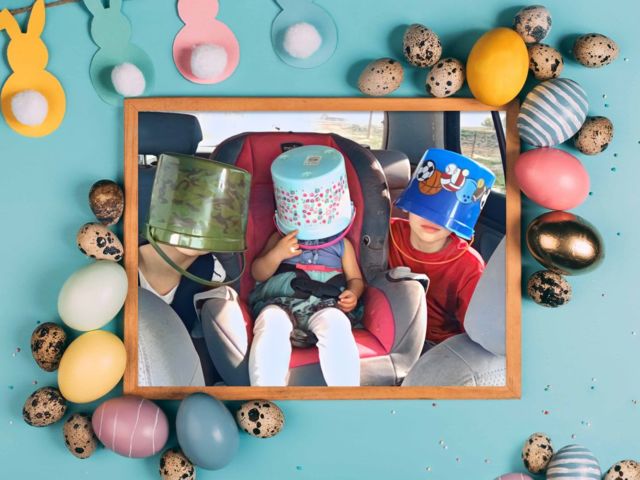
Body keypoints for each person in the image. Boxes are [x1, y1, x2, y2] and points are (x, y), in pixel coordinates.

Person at [247, 145, 363, 386]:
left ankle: (346, 394)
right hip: (281, 302)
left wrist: (353, 293)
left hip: (326, 304)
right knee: (271, 323)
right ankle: (266, 394)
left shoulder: (342, 245)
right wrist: (277, 254)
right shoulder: (281, 239)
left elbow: (355, 279)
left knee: (336, 325)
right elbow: (258, 273)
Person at [389, 148, 496, 350]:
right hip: (385, 326)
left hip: (436, 344)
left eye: (444, 215)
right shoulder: (386, 233)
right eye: (424, 209)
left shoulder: (470, 265)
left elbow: (475, 327)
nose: (432, 219)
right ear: (408, 206)